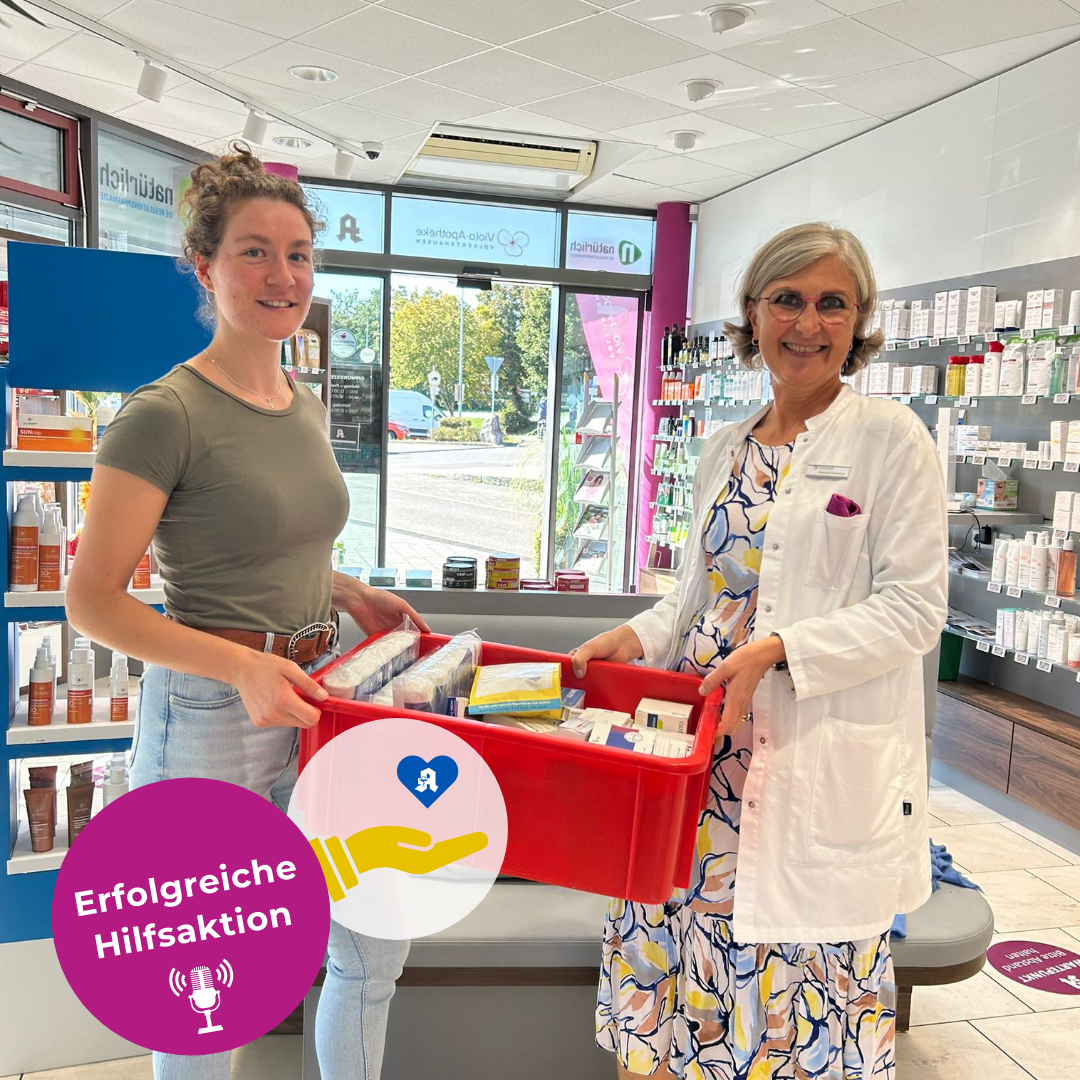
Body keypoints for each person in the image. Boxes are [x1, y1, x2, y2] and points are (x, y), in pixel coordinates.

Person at [66, 144, 426, 1080]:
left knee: (372, 944)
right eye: (254, 252)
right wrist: (240, 666)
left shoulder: (300, 402)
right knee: (208, 980)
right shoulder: (164, 413)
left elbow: (270, 539)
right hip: (211, 716)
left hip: (321, 697)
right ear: (206, 267)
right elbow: (91, 599)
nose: (283, 275)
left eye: (298, 253)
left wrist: (347, 590)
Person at [572, 222, 947, 1078]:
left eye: (832, 304)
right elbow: (699, 592)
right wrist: (638, 634)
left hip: (802, 769)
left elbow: (915, 609)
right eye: (787, 300)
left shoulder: (891, 441)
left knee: (791, 1012)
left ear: (859, 321)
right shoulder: (724, 446)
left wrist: (779, 649)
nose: (808, 324)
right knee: (672, 982)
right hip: (693, 767)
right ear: (752, 312)